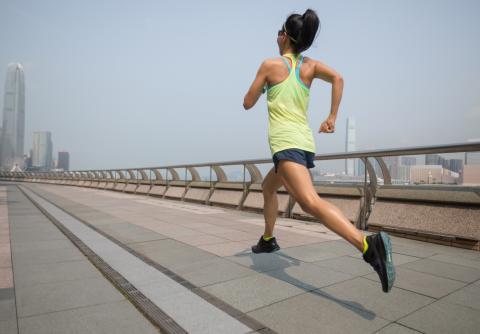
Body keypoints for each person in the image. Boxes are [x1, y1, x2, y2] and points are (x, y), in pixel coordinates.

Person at [243, 9, 395, 293]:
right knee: (268, 188)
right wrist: (332, 117)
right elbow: (338, 78)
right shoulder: (309, 66)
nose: (276, 36)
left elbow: (247, 102)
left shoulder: (270, 65)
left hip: (286, 145)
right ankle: (268, 239)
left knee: (309, 202)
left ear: (284, 36)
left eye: (279, 31)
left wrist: (264, 87)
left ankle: (367, 245)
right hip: (302, 143)